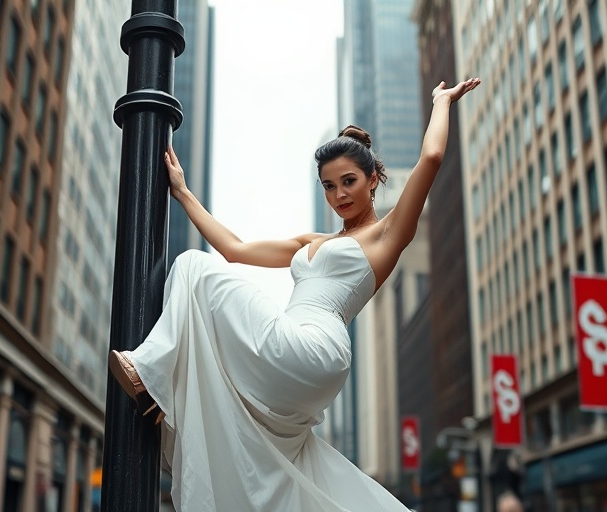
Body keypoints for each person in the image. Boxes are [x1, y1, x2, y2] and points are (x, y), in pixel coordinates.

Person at [109, 77, 481, 511]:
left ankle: (150, 376)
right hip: (292, 348)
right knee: (252, 440)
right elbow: (234, 249)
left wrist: (441, 102)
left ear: (374, 179)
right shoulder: (311, 241)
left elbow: (432, 156)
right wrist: (184, 193)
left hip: (318, 347)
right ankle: (159, 383)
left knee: (192, 267)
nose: (339, 194)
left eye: (349, 181)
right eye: (328, 185)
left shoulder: (388, 234)